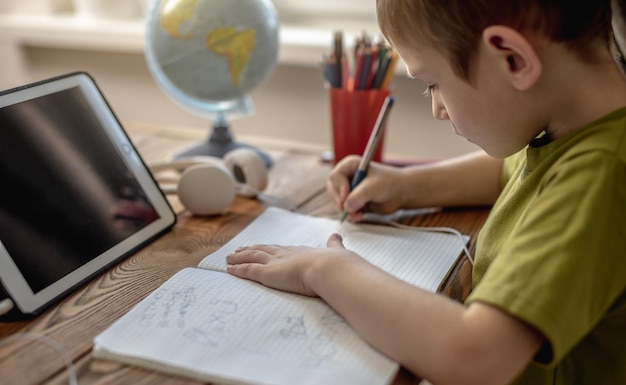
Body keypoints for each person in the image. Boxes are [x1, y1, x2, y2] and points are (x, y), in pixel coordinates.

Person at [226, 0, 626, 384]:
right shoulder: (579, 130)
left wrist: (324, 270)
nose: (437, 108)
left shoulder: (602, 174)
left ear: (512, 58)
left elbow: (476, 358)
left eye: (433, 83)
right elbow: (511, 171)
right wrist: (406, 186)